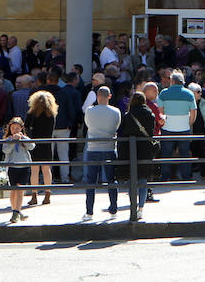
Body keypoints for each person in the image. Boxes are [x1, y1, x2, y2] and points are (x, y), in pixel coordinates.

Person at [81, 85, 121, 220]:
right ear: (109, 96)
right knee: (111, 180)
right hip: (109, 148)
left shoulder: (89, 111)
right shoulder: (116, 112)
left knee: (91, 182)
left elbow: (88, 125)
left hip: (93, 149)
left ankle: (89, 211)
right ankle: (113, 209)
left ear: (97, 96)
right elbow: (116, 127)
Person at [118, 91, 157, 219]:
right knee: (143, 180)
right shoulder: (150, 114)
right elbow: (151, 132)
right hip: (145, 150)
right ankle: (141, 208)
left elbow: (123, 133)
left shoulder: (128, 116)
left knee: (131, 180)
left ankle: (133, 206)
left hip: (130, 151)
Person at [157, 70, 197, 182]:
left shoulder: (163, 93)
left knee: (166, 154)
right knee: (184, 154)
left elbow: (160, 112)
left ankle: (165, 177)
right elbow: (193, 113)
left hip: (167, 128)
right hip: (184, 129)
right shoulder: (189, 94)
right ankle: (186, 177)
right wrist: (188, 124)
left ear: (172, 81)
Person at [24, 88, 58, 206]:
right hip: (47, 143)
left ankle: (34, 196)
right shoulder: (51, 114)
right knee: (46, 169)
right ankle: (47, 195)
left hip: (34, 142)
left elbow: (26, 127)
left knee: (34, 170)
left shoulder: (31, 113)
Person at [1, 116, 35, 223]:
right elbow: (5, 150)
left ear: (21, 128)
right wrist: (12, 141)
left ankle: (17, 210)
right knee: (13, 190)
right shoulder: (8, 140)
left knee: (20, 189)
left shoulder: (24, 138)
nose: (15, 130)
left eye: (17, 128)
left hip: (24, 167)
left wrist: (22, 139)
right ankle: (15, 210)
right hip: (12, 167)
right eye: (13, 128)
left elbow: (32, 146)